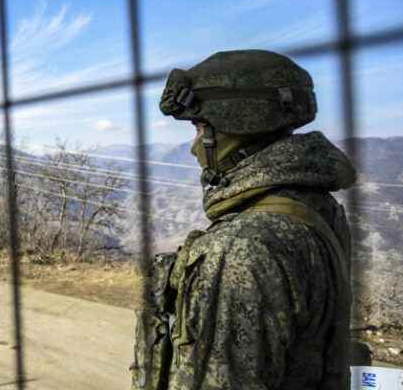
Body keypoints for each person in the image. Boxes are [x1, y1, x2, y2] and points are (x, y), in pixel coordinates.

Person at [132, 50, 354, 390]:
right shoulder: (319, 210)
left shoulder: (241, 246)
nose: (194, 147)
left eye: (199, 128)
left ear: (235, 125)